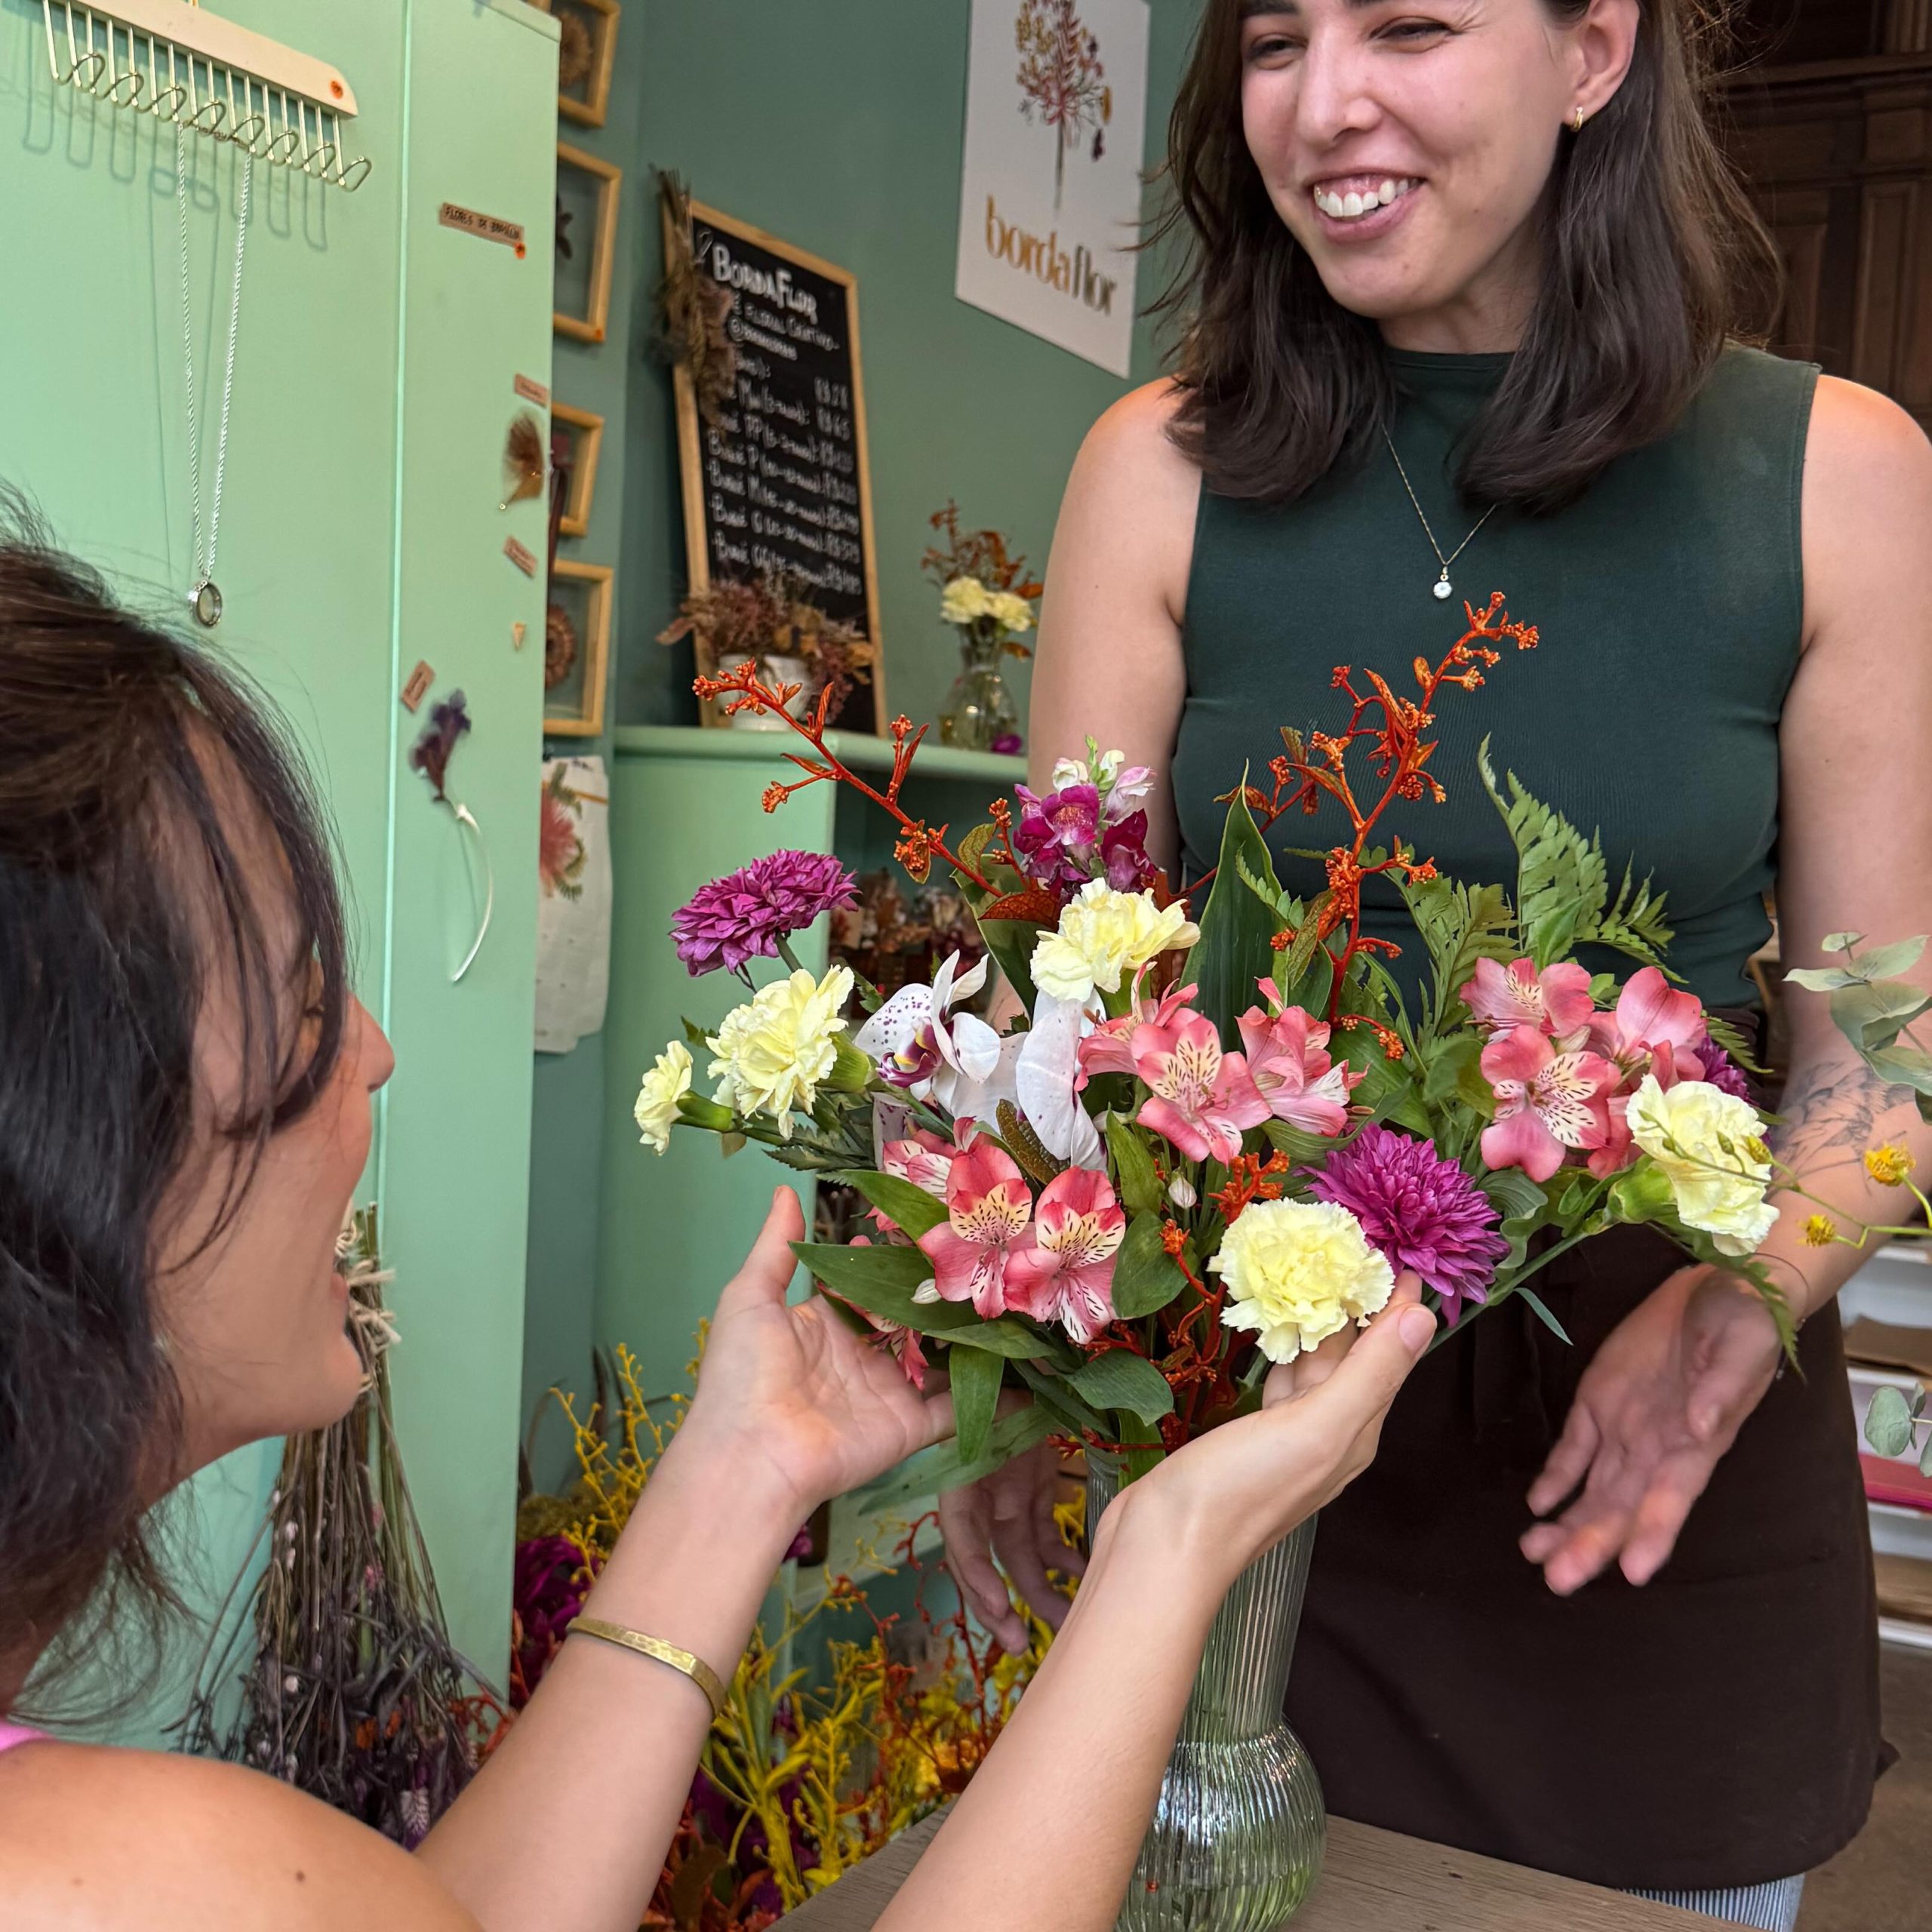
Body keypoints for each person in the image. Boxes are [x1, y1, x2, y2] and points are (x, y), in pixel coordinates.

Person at [0, 530, 1433, 1931]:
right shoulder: (128, 1877)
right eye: (300, 1002)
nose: (369, 1052)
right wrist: (1167, 1548)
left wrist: (749, 1463)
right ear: (63, 1145)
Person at [939, 1, 1932, 1925]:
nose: (1326, 106)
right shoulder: (1153, 468)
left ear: (1590, 54)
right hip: (1246, 1516)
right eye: (1276, 40)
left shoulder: (1836, 476)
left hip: (1648, 1504)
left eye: (1404, 24)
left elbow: (1880, 1065)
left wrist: (1735, 1319)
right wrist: (1005, 1372)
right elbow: (1047, 1009)